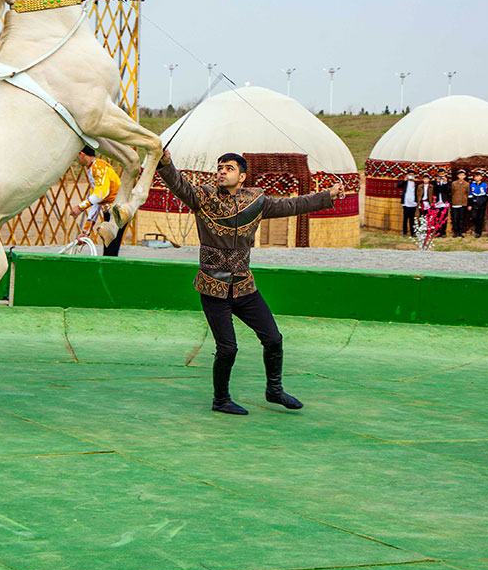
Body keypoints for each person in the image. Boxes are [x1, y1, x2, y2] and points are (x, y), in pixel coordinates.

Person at [157, 149, 342, 416]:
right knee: (228, 348)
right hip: (213, 287)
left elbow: (292, 205)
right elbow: (179, 185)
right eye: (220, 167)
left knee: (273, 339)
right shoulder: (203, 197)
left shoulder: (256, 200)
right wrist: (165, 163)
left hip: (244, 287)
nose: (222, 171)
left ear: (242, 176)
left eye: (229, 168)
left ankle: (274, 390)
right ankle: (221, 400)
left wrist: (327, 196)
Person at [75, 146, 124, 256]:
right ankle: (108, 270)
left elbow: (101, 193)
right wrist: (86, 232)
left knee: (110, 249)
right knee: (109, 248)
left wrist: (80, 207)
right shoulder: (92, 168)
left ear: (82, 154)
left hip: (117, 211)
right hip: (111, 212)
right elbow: (97, 202)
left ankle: (109, 271)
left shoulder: (99, 167)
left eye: (77, 156)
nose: (77, 160)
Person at [468, 172, 488, 238]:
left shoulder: (485, 185)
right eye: (476, 176)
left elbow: (487, 195)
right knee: (474, 217)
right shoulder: (472, 185)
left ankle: (479, 232)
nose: (477, 178)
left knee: (481, 218)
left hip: (482, 203)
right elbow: (470, 195)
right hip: (474, 203)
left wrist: (483, 201)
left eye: (478, 176)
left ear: (481, 177)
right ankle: (476, 229)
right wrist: (470, 204)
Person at [450, 170, 469, 238]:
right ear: (458, 176)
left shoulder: (466, 184)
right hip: (455, 203)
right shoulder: (454, 183)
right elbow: (452, 192)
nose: (461, 176)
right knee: (455, 218)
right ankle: (455, 232)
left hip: (463, 203)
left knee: (462, 218)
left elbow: (467, 193)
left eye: (462, 175)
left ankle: (460, 232)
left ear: (465, 176)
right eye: (460, 175)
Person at [432, 171, 452, 237]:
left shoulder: (448, 182)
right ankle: (437, 232)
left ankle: (443, 232)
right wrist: (437, 183)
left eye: (443, 174)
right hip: (437, 202)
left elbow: (448, 191)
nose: (441, 175)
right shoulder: (434, 182)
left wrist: (445, 183)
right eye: (440, 174)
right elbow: (434, 191)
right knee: (437, 218)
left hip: (444, 202)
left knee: (444, 218)